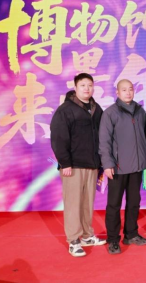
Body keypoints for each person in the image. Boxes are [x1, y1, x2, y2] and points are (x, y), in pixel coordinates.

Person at [50, 73, 106, 257]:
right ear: (75, 87)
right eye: (83, 85)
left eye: (90, 85)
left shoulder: (96, 109)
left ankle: (87, 235)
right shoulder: (65, 110)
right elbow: (58, 138)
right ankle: (73, 240)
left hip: (92, 164)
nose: (87, 89)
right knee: (73, 203)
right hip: (72, 166)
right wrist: (65, 162)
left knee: (87, 203)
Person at [98, 79, 146, 254]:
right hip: (118, 167)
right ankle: (113, 239)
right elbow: (104, 142)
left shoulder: (140, 111)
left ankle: (131, 234)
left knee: (134, 202)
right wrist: (107, 164)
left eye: (130, 89)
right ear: (117, 92)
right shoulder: (110, 113)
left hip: (137, 166)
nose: (128, 92)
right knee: (114, 204)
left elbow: (145, 136)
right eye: (124, 90)